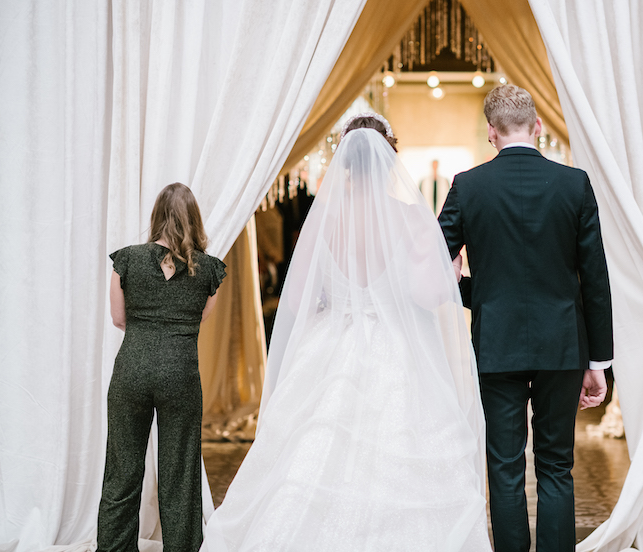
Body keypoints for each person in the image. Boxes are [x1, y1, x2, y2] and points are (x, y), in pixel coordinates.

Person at [201, 114, 491, 551]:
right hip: (398, 348)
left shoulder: (324, 220)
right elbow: (429, 294)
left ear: (346, 162)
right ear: (390, 157)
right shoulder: (411, 217)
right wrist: (450, 270)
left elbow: (296, 301)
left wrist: (336, 298)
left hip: (330, 344)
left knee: (312, 450)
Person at [438, 85, 613, 552]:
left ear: (491, 133)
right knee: (557, 465)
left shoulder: (467, 186)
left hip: (496, 344)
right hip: (563, 345)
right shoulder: (574, 184)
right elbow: (595, 278)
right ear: (537, 127)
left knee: (505, 466)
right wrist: (599, 362)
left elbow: (435, 263)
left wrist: (471, 288)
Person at [97, 182, 226, 552]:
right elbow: (198, 318)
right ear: (194, 220)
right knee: (180, 474)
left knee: (122, 470)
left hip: (131, 371)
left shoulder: (127, 259)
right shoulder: (209, 270)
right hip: (180, 375)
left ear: (156, 217)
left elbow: (118, 318)